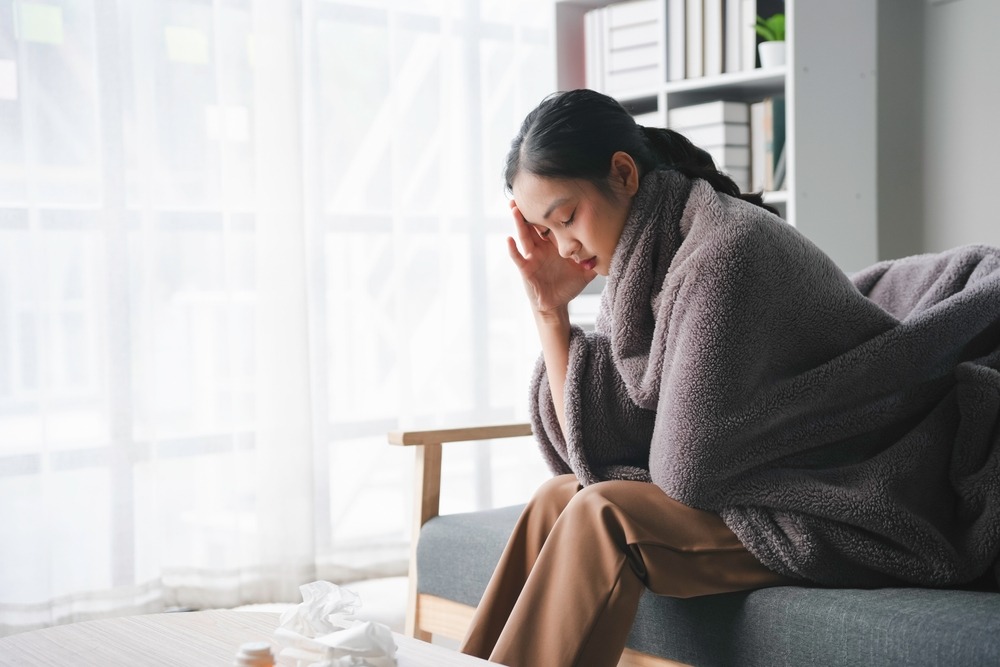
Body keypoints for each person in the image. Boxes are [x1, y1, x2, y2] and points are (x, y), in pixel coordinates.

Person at [459, 89, 1000, 667]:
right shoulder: (648, 255)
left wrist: (622, 451)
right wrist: (549, 311)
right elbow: (588, 450)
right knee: (554, 497)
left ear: (622, 172)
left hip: (850, 490)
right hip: (758, 479)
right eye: (545, 231)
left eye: (564, 218)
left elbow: (687, 466)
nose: (563, 246)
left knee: (602, 515)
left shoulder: (724, 251)